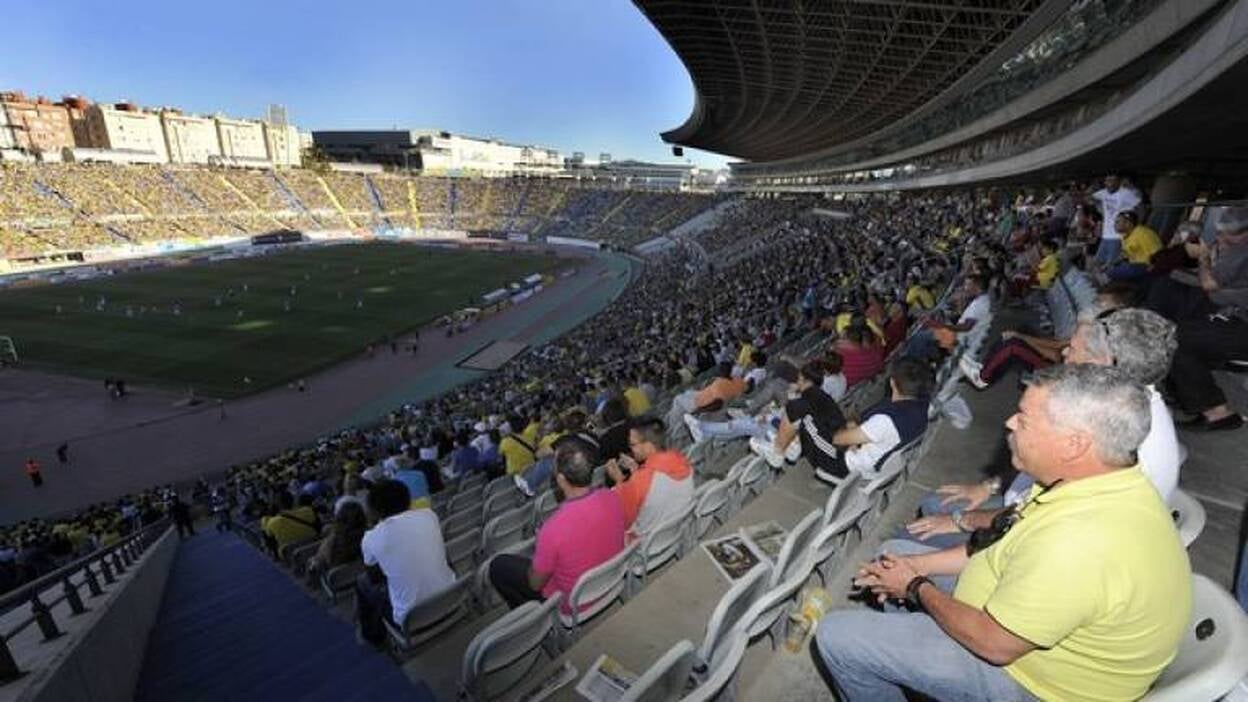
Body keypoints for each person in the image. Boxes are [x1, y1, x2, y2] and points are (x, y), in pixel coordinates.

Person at [816, 365, 1191, 701]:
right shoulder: (1090, 483)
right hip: (1010, 612)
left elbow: (994, 643)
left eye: (1025, 419)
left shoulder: (1079, 543)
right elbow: (999, 545)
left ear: (1074, 443)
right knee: (895, 554)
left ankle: (901, 653)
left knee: (838, 637)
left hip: (1032, 682)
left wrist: (915, 586)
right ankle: (906, 658)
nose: (1010, 422)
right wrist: (914, 566)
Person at [489, 444, 626, 609]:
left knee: (498, 565)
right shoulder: (613, 496)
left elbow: (535, 585)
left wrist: (540, 556)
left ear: (560, 480)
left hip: (574, 604)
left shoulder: (552, 529)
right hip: (611, 580)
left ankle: (534, 615)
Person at [1164, 207, 1248, 431]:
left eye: (1229, 234)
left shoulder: (1242, 251)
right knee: (1175, 328)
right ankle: (1186, 393)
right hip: (1233, 318)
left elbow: (1211, 285)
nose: (1221, 237)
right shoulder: (1235, 249)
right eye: (1220, 232)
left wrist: (1203, 258)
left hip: (1240, 325)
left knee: (1177, 338)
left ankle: (1217, 413)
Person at [355, 479, 455, 646]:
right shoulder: (429, 515)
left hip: (412, 619)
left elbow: (374, 578)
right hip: (453, 597)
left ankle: (373, 636)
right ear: (408, 499)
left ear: (374, 510)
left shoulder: (370, 538)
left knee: (362, 581)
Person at [823, 357, 931, 484]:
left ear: (892, 382)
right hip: (875, 458)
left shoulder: (885, 420)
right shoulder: (924, 407)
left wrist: (851, 428)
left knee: (810, 423)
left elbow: (837, 439)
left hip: (850, 467)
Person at [608, 417, 694, 541]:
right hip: (678, 528)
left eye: (632, 444)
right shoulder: (682, 460)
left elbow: (625, 520)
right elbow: (654, 483)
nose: (630, 449)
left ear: (648, 446)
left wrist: (619, 481)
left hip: (648, 541)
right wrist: (636, 469)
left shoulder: (640, 481)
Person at [1090, 173, 1142, 267]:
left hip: (1118, 235)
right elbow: (1089, 198)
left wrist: (1135, 226)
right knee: (1096, 263)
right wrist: (1098, 204)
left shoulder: (1125, 193)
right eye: (1108, 181)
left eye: (1113, 180)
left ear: (1118, 182)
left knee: (1110, 265)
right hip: (1105, 235)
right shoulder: (1103, 193)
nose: (1110, 183)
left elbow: (1141, 207)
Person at [307, 500, 366, 579]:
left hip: (337, 579)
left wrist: (312, 562)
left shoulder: (332, 540)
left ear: (339, 518)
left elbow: (318, 563)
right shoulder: (369, 537)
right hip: (360, 576)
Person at [1107, 210, 1162, 281]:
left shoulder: (1142, 233)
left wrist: (1152, 267)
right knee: (1112, 268)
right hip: (1134, 264)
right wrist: (1110, 264)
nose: (1115, 224)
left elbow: (1158, 252)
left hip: (1146, 265)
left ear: (1128, 223)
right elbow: (1125, 254)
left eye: (1118, 222)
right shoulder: (1125, 236)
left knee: (1115, 272)